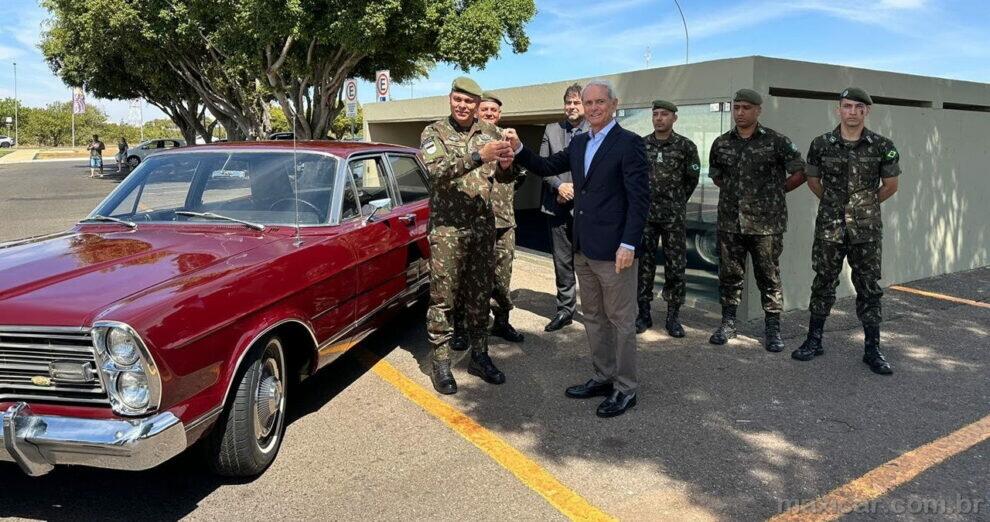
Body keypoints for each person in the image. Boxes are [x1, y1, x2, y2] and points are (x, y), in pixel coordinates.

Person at [506, 80, 649, 418]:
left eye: (601, 101)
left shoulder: (629, 144)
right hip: (584, 248)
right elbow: (544, 167)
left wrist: (629, 243)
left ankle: (625, 388)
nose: (594, 107)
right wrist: (518, 148)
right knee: (595, 319)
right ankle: (603, 376)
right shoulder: (580, 141)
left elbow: (639, 200)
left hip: (616, 251)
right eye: (589, 102)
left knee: (621, 321)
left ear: (614, 105)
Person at [419, 76, 517, 395]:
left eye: (469, 102)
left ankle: (479, 355)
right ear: (450, 99)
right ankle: (441, 363)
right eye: (458, 100)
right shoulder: (434, 132)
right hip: (448, 229)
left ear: (477, 105)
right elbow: (436, 171)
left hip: (481, 227)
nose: (463, 106)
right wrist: (478, 156)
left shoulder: (490, 132)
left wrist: (506, 163)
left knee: (479, 296)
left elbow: (504, 176)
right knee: (443, 297)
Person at [792, 87, 899, 375]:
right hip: (830, 226)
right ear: (838, 109)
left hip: (866, 230)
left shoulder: (882, 145)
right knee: (823, 281)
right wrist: (834, 203)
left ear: (867, 112)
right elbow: (813, 181)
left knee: (868, 286)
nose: (852, 112)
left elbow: (890, 186)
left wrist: (862, 205)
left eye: (858, 107)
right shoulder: (821, 144)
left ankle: (872, 349)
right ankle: (814, 340)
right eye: (847, 106)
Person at [707, 89, 806, 352]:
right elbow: (717, 176)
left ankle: (772, 329)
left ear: (758, 110)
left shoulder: (776, 141)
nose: (740, 112)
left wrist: (777, 191)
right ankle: (728, 323)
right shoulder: (721, 143)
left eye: (746, 108)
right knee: (729, 274)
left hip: (766, 224)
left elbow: (800, 172)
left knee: (768, 276)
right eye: (736, 107)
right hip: (730, 222)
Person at [636, 100, 701, 337]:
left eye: (664, 114)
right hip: (646, 216)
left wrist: (676, 201)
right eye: (655, 114)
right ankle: (643, 314)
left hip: (673, 216)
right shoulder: (640, 145)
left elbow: (691, 178)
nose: (659, 118)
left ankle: (673, 317)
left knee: (676, 266)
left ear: (674, 118)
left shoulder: (686, 146)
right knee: (644, 265)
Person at [539, 84, 589, 333]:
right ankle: (565, 310)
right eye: (568, 102)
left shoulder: (595, 131)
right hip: (556, 208)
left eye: (576, 102)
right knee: (562, 263)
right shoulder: (551, 130)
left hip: (588, 212)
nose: (571, 107)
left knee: (590, 263)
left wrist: (575, 190)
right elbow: (543, 166)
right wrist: (559, 187)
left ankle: (593, 313)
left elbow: (600, 171)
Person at [478, 91, 527, 343]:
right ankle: (467, 327)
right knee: (473, 278)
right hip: (476, 221)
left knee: (502, 275)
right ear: (478, 111)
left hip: (504, 221)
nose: (489, 113)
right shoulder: (469, 139)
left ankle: (501, 322)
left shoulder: (508, 139)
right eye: (484, 109)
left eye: (493, 110)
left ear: (499, 114)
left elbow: (522, 175)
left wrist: (509, 170)